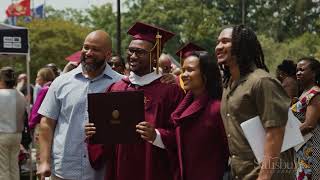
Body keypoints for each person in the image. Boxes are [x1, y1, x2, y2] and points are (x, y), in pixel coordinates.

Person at [85, 22, 185, 180]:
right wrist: (96, 133)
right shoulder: (116, 88)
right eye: (130, 51)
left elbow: (182, 134)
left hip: (155, 168)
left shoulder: (170, 92)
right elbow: (106, 137)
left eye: (140, 52)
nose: (132, 56)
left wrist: (157, 135)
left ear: (155, 55)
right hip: (120, 168)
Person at [37, 30, 123, 180]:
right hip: (64, 170)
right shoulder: (61, 82)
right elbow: (47, 123)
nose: (89, 52)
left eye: (95, 49)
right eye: (86, 47)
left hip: (102, 171)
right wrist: (44, 161)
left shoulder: (121, 84)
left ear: (108, 55)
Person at [215, 25, 294, 180]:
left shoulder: (262, 81)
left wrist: (264, 177)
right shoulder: (228, 85)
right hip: (240, 174)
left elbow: (276, 133)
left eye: (225, 41)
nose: (218, 47)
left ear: (241, 45)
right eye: (218, 42)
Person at [170, 51, 229, 180]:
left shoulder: (217, 108)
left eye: (190, 70)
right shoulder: (182, 107)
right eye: (183, 70)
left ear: (205, 74)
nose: (183, 75)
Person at [291, 57, 320, 179]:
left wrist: (286, 137)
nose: (298, 73)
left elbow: (309, 124)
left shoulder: (316, 94)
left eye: (302, 70)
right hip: (301, 147)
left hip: (312, 148)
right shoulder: (304, 93)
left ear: (314, 73)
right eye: (297, 70)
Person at [0, 67, 27, 180]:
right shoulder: (20, 95)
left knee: (3, 168)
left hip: (2, 134)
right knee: (14, 166)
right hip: (17, 135)